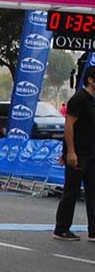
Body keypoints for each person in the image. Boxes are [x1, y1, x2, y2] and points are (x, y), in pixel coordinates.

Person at [54, 65, 95, 241]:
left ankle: (93, 230)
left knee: (93, 192)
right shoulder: (79, 99)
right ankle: (61, 229)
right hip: (78, 154)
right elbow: (69, 126)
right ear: (91, 80)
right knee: (72, 191)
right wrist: (70, 152)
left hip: (93, 154)